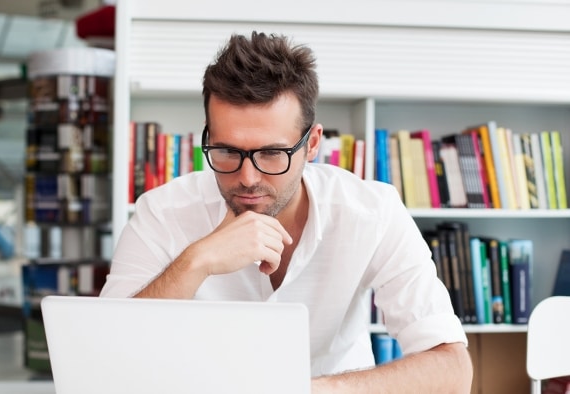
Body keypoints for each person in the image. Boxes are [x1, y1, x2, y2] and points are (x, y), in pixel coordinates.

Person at [101, 31, 472, 393]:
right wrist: (197, 260)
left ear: (311, 144)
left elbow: (452, 369)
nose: (247, 179)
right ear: (208, 138)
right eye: (228, 151)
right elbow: (106, 354)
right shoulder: (162, 212)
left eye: (271, 154)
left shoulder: (372, 212)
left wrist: (305, 390)